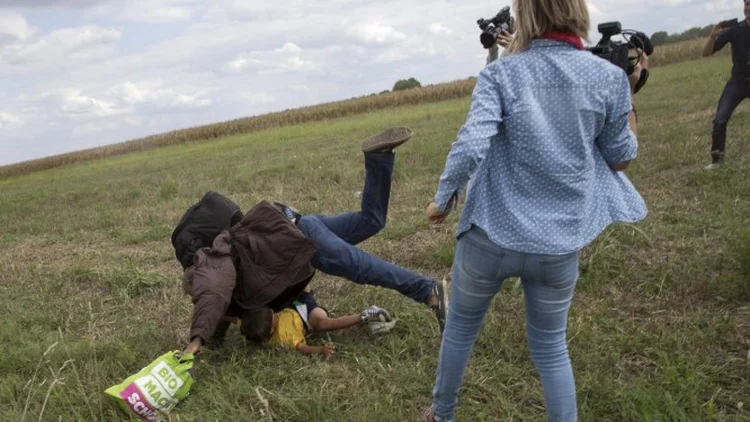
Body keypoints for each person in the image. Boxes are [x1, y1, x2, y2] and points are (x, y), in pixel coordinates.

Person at [422, 0, 648, 420]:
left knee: (461, 331)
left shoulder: (501, 73)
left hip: (489, 236)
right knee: (550, 347)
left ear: (526, 15)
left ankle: (441, 413)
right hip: (558, 246)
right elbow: (620, 158)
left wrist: (443, 199)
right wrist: (630, 93)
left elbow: (472, 144)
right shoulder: (609, 77)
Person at [183, 127, 447, 356]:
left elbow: (211, 294)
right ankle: (378, 158)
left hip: (304, 241)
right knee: (371, 220)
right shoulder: (234, 282)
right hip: (301, 225)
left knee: (357, 265)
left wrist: (194, 342)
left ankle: (428, 291)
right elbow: (218, 311)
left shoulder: (211, 265)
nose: (193, 299)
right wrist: (209, 341)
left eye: (193, 294)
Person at [237, 289, 396, 360]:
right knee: (322, 323)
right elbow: (302, 348)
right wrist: (320, 350)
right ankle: (366, 314)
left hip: (290, 301)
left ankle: (304, 263)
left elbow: (230, 318)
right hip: (306, 313)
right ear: (272, 330)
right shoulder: (284, 337)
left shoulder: (247, 323)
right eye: (274, 318)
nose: (275, 315)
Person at [701, 2, 750, 170]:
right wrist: (713, 35)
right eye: (747, 4)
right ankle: (717, 162)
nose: (748, 8)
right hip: (737, 83)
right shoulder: (736, 29)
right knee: (720, 120)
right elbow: (706, 53)